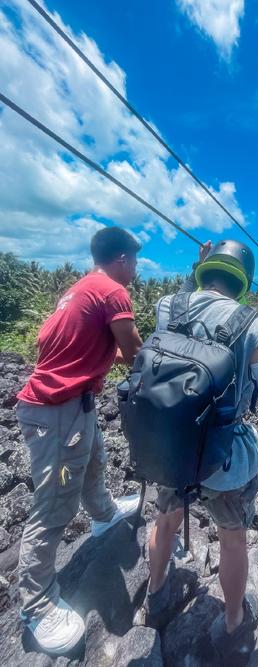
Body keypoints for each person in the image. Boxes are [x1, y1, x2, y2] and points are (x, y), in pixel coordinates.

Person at [143, 240, 258, 658]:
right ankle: (233, 620)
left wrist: (191, 270)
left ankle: (156, 591)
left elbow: (175, 321)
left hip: (171, 446)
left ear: (204, 270)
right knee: (232, 537)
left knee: (165, 519)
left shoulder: (167, 305)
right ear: (244, 282)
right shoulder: (253, 325)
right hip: (223, 457)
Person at [15, 227, 144, 654]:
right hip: (59, 410)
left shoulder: (79, 290)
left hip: (68, 405)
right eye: (136, 263)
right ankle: (34, 604)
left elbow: (82, 346)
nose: (136, 271)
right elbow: (135, 351)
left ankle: (104, 514)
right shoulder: (112, 291)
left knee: (94, 462)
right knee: (54, 505)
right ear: (122, 259)